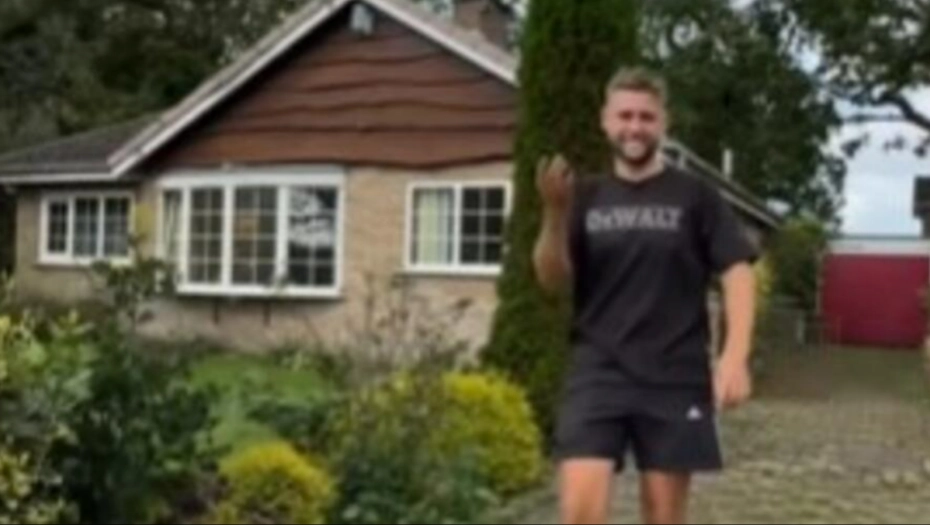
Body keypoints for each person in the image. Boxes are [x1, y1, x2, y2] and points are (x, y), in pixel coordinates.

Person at [534, 67, 758, 525]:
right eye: (625, 116)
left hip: (674, 374)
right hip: (599, 371)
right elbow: (552, 279)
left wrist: (734, 357)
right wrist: (555, 215)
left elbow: (738, 271)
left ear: (663, 123)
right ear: (605, 121)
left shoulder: (696, 197)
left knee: (663, 515)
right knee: (579, 511)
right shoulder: (585, 197)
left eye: (646, 117)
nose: (634, 127)